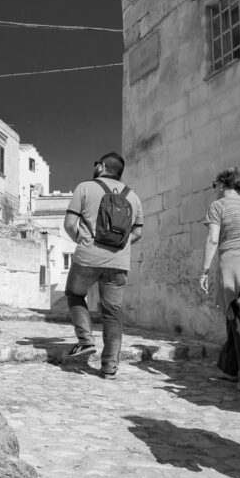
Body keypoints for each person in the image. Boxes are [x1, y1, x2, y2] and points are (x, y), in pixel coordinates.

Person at [63, 152, 143, 379]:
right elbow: (138, 232)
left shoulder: (85, 188)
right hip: (119, 263)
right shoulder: (133, 197)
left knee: (74, 293)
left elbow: (69, 223)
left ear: (101, 166)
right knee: (112, 313)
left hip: (88, 257)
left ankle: (86, 340)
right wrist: (121, 246)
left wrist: (81, 241)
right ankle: (109, 367)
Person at [199, 167, 240, 395]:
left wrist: (204, 271)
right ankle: (228, 368)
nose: (214, 190)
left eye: (214, 185)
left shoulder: (218, 206)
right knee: (235, 317)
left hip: (234, 268)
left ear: (221, 184)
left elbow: (212, 240)